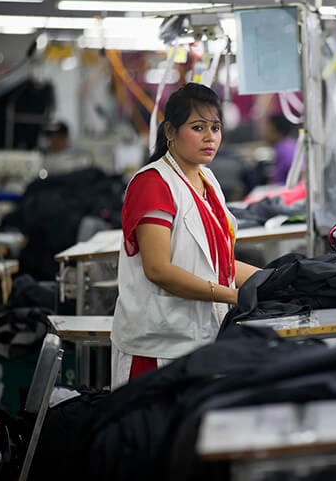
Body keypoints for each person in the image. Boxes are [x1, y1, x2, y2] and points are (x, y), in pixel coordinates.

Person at [111, 83, 260, 388]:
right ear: (170, 131)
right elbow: (158, 269)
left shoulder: (206, 178)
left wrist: (272, 281)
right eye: (198, 127)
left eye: (216, 127)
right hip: (157, 351)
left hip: (201, 341)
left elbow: (220, 263)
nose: (210, 137)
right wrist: (232, 295)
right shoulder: (153, 183)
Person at [265, 113, 298, 185]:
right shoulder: (282, 146)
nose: (265, 133)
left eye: (268, 128)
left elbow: (301, 171)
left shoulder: (286, 149)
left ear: (275, 130)